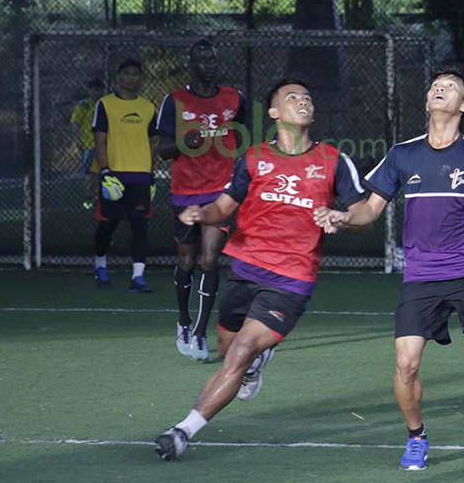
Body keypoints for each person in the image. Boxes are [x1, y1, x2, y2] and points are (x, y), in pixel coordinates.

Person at [314, 69, 464, 474]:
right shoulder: (403, 153)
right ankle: (416, 437)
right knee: (406, 362)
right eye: (436, 86)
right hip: (422, 272)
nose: (438, 89)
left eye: (449, 87)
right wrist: (343, 216)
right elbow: (370, 209)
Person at [154, 78, 364, 461]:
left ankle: (184, 430)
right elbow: (223, 207)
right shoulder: (253, 158)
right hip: (247, 269)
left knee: (241, 351)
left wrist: (343, 216)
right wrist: (202, 213)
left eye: (307, 96)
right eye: (292, 97)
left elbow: (363, 211)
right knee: (227, 349)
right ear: (273, 113)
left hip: (292, 277)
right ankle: (255, 364)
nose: (303, 101)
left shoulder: (333, 160)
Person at [155, 39, 246, 360]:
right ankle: (183, 321)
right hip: (185, 192)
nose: (207, 64)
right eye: (201, 60)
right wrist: (183, 142)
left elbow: (245, 139)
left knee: (210, 261)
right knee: (187, 262)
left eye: (212, 59)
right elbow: (162, 151)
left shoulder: (234, 98)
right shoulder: (174, 101)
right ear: (190, 64)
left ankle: (200, 331)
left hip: (220, 192)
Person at [91, 60, 158, 291]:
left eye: (135, 74)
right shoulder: (105, 104)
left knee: (140, 224)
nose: (131, 78)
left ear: (141, 78)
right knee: (108, 224)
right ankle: (100, 264)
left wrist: (151, 174)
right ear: (118, 77)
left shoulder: (149, 107)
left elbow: (152, 142)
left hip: (140, 175)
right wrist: (106, 170)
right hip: (114, 174)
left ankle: (138, 277)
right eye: (126, 73)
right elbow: (100, 138)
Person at [71, 78, 107, 209]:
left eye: (100, 89)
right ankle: (88, 198)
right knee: (90, 174)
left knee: (104, 173)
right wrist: (77, 140)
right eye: (94, 89)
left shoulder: (106, 104)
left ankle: (99, 197)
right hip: (90, 145)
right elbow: (75, 123)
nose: (97, 92)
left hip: (105, 145)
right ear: (89, 91)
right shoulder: (84, 105)